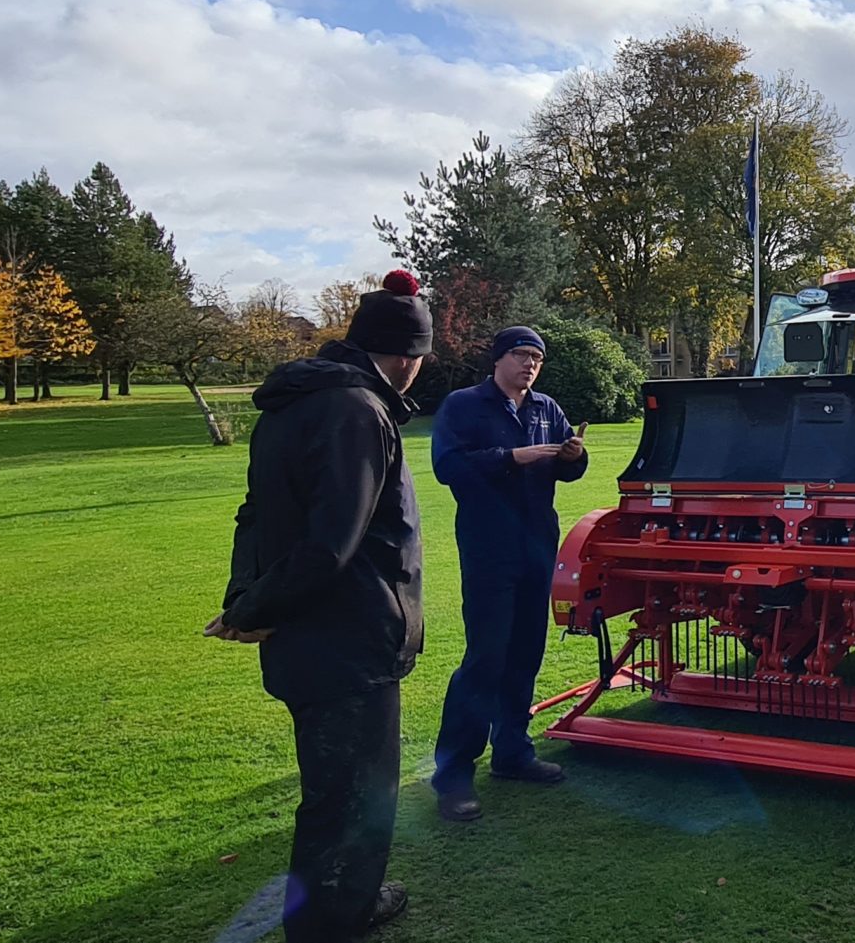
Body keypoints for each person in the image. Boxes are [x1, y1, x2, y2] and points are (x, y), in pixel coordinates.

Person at [209, 269, 431, 942]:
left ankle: (342, 903)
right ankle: (331, 921)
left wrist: (247, 597)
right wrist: (254, 606)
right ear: (406, 358)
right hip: (349, 634)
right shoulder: (357, 413)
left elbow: (256, 517)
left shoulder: (293, 405)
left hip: (310, 631)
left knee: (334, 787)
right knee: (353, 794)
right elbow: (333, 542)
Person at [428, 325, 588, 821]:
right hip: (488, 548)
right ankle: (453, 774)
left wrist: (573, 458)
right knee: (485, 658)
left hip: (537, 544)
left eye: (537, 358)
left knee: (525, 652)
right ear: (497, 359)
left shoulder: (546, 408)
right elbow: (448, 467)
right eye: (521, 355)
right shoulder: (464, 405)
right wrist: (510, 458)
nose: (529, 365)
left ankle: (513, 753)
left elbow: (566, 470)